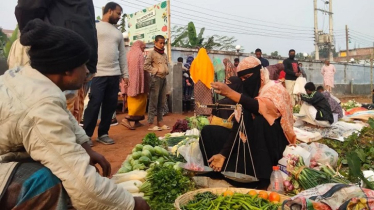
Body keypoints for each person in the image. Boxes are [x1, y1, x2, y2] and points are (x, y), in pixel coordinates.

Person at [0, 19, 149, 210]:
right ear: (67, 69)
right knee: (47, 183)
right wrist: (131, 204)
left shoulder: (30, 77)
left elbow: (63, 116)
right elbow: (78, 178)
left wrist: (86, 148)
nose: (87, 71)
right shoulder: (40, 105)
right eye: (84, 65)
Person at [202, 56, 296, 189]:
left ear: (260, 73)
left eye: (248, 77)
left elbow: (259, 107)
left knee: (260, 120)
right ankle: (218, 169)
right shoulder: (250, 92)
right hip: (251, 143)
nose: (245, 82)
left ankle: (262, 178)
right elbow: (238, 127)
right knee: (209, 132)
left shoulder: (274, 89)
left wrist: (230, 93)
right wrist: (223, 154)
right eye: (242, 79)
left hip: (272, 146)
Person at [12, 0, 98, 123]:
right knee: (48, 119)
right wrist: (41, 39)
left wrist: (89, 64)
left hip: (77, 63)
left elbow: (87, 24)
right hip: (59, 62)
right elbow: (28, 8)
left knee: (70, 119)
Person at [83, 2, 129, 145]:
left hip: (114, 74)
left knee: (110, 106)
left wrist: (125, 75)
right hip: (97, 73)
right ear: (109, 11)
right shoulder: (94, 27)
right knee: (94, 104)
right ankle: (86, 136)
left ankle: (103, 134)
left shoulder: (118, 33)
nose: (119, 17)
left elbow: (122, 54)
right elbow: (87, 48)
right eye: (118, 13)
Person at [121, 40, 149, 130]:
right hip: (138, 83)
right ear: (139, 46)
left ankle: (137, 122)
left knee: (132, 102)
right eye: (143, 47)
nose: (144, 49)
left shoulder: (129, 54)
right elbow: (142, 70)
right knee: (138, 102)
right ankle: (127, 119)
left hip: (129, 83)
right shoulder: (139, 54)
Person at [144, 35, 169, 131]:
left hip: (163, 79)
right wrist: (156, 70)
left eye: (164, 43)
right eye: (160, 43)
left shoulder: (164, 54)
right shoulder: (151, 53)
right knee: (153, 102)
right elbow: (146, 66)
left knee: (162, 101)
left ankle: (160, 121)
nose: (162, 45)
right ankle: (150, 123)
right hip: (155, 79)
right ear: (155, 43)